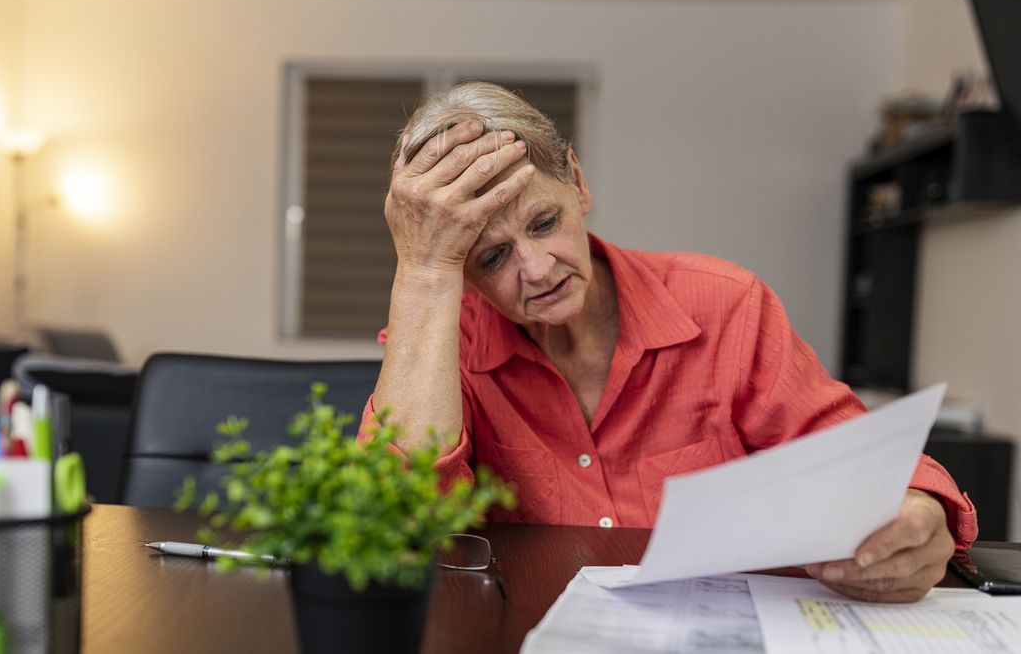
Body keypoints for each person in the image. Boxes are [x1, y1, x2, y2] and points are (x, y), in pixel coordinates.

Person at [358, 82, 976, 603]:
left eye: (545, 223)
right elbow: (394, 525)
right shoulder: (447, 338)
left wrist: (917, 509)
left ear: (577, 181)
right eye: (491, 257)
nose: (539, 269)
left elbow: (854, 459)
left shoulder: (725, 304)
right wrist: (423, 270)